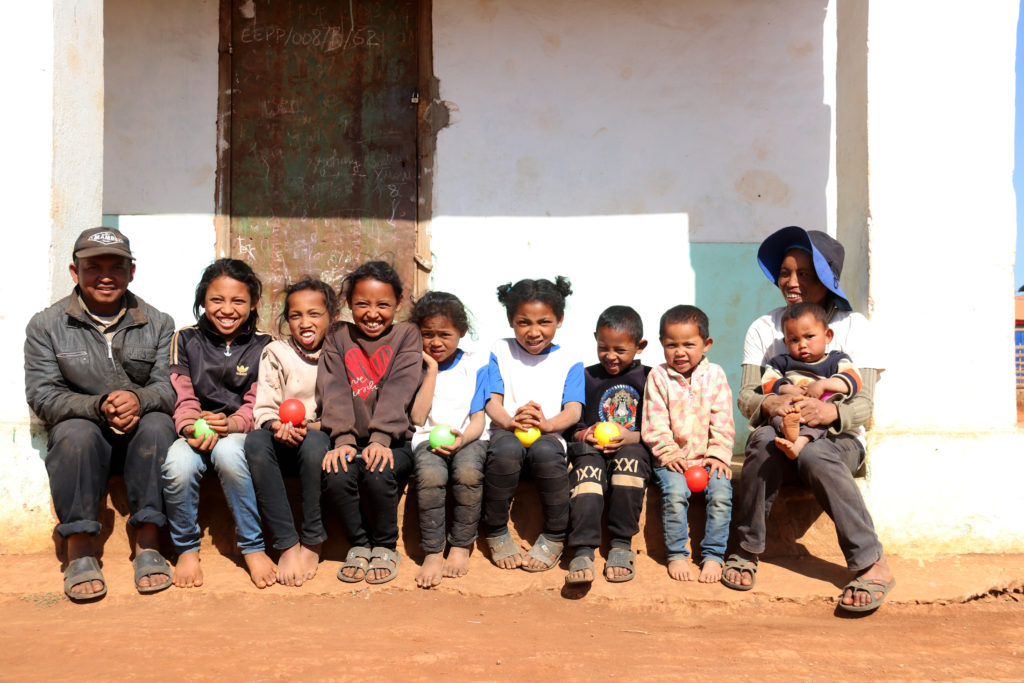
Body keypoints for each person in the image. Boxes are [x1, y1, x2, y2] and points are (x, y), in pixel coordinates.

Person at [723, 226, 894, 614]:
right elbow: (747, 396)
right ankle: (747, 549)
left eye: (805, 273)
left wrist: (830, 411)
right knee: (764, 442)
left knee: (816, 455)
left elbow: (864, 406)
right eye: (785, 272)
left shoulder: (854, 328)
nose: (792, 282)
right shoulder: (764, 328)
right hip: (782, 436)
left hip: (839, 442)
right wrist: (773, 405)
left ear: (828, 276)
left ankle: (871, 562)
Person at [24, 227, 177, 601]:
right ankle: (79, 547)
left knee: (159, 424)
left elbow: (168, 388)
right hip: (84, 437)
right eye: (93, 266)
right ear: (75, 272)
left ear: (132, 272)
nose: (105, 276)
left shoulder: (158, 323)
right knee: (76, 432)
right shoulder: (46, 325)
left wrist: (138, 401)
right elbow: (43, 395)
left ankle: (148, 542)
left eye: (116, 266)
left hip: (138, 435)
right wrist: (98, 406)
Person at [161, 258, 275, 589]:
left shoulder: (265, 346)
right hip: (195, 429)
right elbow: (180, 393)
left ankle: (252, 547)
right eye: (216, 300)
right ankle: (186, 549)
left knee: (228, 455)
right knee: (177, 465)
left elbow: (258, 400)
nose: (227, 309)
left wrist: (234, 424)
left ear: (253, 303)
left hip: (239, 431)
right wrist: (189, 426)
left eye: (238, 300)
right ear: (202, 301)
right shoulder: (184, 339)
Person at [318, 261, 422, 585]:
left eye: (383, 305)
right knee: (336, 474)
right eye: (362, 303)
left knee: (378, 471)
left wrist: (381, 438)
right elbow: (332, 387)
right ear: (349, 303)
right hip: (349, 438)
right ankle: (359, 544)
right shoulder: (337, 335)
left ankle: (386, 546)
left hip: (394, 440)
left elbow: (399, 389)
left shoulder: (407, 335)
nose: (372, 313)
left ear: (399, 304)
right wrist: (343, 440)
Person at [482, 276, 582, 572]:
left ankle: (554, 533)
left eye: (544, 322)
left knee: (548, 454)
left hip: (548, 436)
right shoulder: (500, 350)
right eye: (524, 322)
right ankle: (496, 529)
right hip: (506, 432)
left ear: (559, 320)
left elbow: (574, 409)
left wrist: (549, 425)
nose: (534, 332)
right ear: (511, 320)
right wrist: (510, 421)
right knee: (505, 451)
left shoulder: (570, 358)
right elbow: (492, 402)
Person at [245, 278, 338, 587]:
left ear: (331, 317)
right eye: (296, 315)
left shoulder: (339, 353)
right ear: (287, 320)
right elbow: (264, 407)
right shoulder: (276, 352)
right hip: (282, 434)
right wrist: (277, 426)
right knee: (256, 442)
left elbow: (341, 413)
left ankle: (313, 539)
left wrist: (309, 427)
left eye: (314, 313)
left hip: (319, 434)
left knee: (314, 445)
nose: (305, 322)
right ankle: (286, 543)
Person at [642, 305, 734, 583]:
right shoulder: (658, 377)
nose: (679, 352)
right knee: (674, 494)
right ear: (662, 345)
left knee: (721, 495)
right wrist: (669, 454)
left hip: (707, 459)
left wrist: (718, 455)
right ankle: (677, 554)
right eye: (671, 345)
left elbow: (723, 419)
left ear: (706, 344)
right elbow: (654, 423)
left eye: (688, 344)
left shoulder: (715, 375)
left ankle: (714, 555)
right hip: (672, 460)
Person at [564, 305, 652, 585]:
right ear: (595, 340)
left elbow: (659, 427)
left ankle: (621, 543)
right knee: (587, 473)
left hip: (634, 446)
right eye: (603, 348)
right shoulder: (586, 376)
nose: (611, 356)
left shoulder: (651, 378)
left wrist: (631, 437)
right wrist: (584, 434)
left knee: (631, 464)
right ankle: (583, 548)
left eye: (620, 350)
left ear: (639, 346)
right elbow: (572, 427)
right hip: (591, 448)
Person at [406, 291, 489, 588]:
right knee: (429, 475)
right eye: (427, 334)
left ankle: (461, 544)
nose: (436, 342)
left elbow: (479, 418)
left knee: (467, 473)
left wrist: (462, 439)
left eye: (445, 334)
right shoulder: (414, 364)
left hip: (470, 438)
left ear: (462, 333)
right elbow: (417, 418)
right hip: (427, 439)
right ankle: (432, 550)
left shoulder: (476, 363)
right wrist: (430, 370)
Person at [761, 302, 861, 459]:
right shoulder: (781, 363)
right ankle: (787, 427)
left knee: (820, 423)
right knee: (776, 415)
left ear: (828, 336)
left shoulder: (836, 360)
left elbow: (853, 380)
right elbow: (767, 383)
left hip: (817, 415)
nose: (802, 345)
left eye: (809, 337)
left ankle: (798, 443)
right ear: (786, 343)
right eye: (794, 340)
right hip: (791, 411)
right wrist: (787, 389)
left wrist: (822, 384)